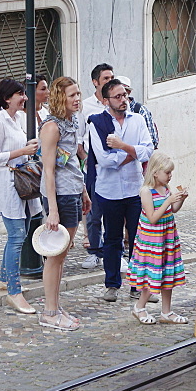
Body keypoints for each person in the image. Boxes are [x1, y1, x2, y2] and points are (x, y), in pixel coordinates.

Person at [88, 79, 154, 302]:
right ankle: (112, 284)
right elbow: (104, 160)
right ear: (106, 101)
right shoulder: (97, 123)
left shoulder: (138, 120)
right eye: (118, 97)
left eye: (125, 95)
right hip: (109, 190)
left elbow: (149, 150)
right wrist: (133, 154)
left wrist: (124, 148)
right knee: (113, 238)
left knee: (139, 238)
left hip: (135, 188)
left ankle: (138, 286)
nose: (124, 100)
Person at [0, 79, 41, 316]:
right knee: (17, 236)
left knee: (21, 233)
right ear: (7, 98)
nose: (24, 97)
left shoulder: (18, 120)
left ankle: (4, 279)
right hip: (6, 184)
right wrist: (22, 151)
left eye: (24, 94)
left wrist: (29, 147)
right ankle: (14, 292)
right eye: (20, 94)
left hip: (22, 183)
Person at [37, 76, 91, 331]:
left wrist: (83, 192)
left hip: (71, 191)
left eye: (78, 94)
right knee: (56, 255)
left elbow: (70, 164)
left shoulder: (72, 122)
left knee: (63, 254)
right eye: (72, 95)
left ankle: (55, 306)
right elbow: (49, 171)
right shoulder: (51, 128)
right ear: (61, 98)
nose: (77, 98)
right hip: (58, 196)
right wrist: (53, 211)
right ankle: (49, 312)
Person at [127, 152, 189, 324]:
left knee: (167, 274)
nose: (170, 176)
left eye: (171, 173)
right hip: (152, 241)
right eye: (167, 173)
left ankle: (166, 312)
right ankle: (139, 307)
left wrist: (180, 200)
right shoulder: (146, 191)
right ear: (155, 172)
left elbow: (173, 210)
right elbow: (153, 217)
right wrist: (168, 201)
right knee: (152, 275)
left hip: (167, 238)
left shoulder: (166, 188)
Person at [79, 63, 116, 270]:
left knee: (113, 213)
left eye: (112, 78)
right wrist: (87, 161)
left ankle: (113, 251)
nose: (110, 81)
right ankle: (94, 251)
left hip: (113, 167)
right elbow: (79, 139)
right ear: (95, 82)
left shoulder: (117, 103)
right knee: (93, 214)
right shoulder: (85, 106)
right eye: (105, 79)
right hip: (92, 168)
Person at [116, 76, 159, 150]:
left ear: (128, 92)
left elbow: (152, 141)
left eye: (122, 94)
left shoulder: (140, 111)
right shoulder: (109, 111)